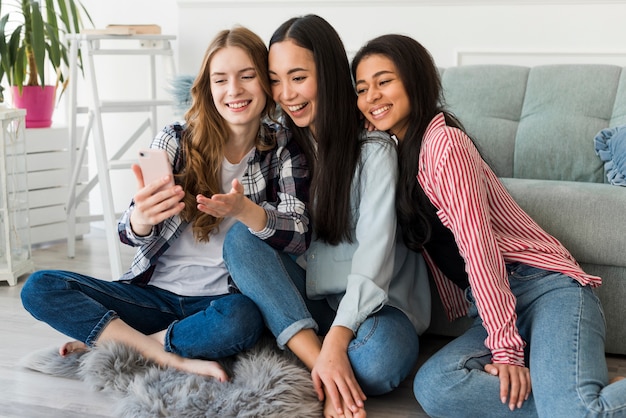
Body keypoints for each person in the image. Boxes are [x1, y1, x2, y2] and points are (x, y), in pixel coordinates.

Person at [351, 33, 626, 417]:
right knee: (436, 387)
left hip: (544, 289)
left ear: (415, 80)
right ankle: (575, 394)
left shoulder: (445, 146)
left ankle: (577, 400)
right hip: (493, 308)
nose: (371, 97)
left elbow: (479, 250)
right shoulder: (394, 153)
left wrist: (507, 351)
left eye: (384, 82)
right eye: (362, 89)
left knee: (578, 410)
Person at [20, 26, 310, 382]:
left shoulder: (282, 148)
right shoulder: (176, 138)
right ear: (208, 88)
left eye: (247, 76)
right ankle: (168, 352)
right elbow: (130, 233)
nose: (233, 90)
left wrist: (245, 211)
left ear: (266, 83)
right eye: (220, 80)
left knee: (243, 319)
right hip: (151, 298)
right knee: (39, 287)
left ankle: (132, 344)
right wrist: (141, 218)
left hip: (218, 304)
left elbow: (299, 235)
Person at [222, 15, 430, 418]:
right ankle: (324, 366)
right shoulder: (283, 147)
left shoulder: (373, 150)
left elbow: (374, 255)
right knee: (242, 237)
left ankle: (308, 351)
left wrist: (337, 341)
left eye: (298, 78)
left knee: (378, 363)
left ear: (330, 74)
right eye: (276, 80)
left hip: (380, 308)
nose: (286, 94)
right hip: (314, 299)